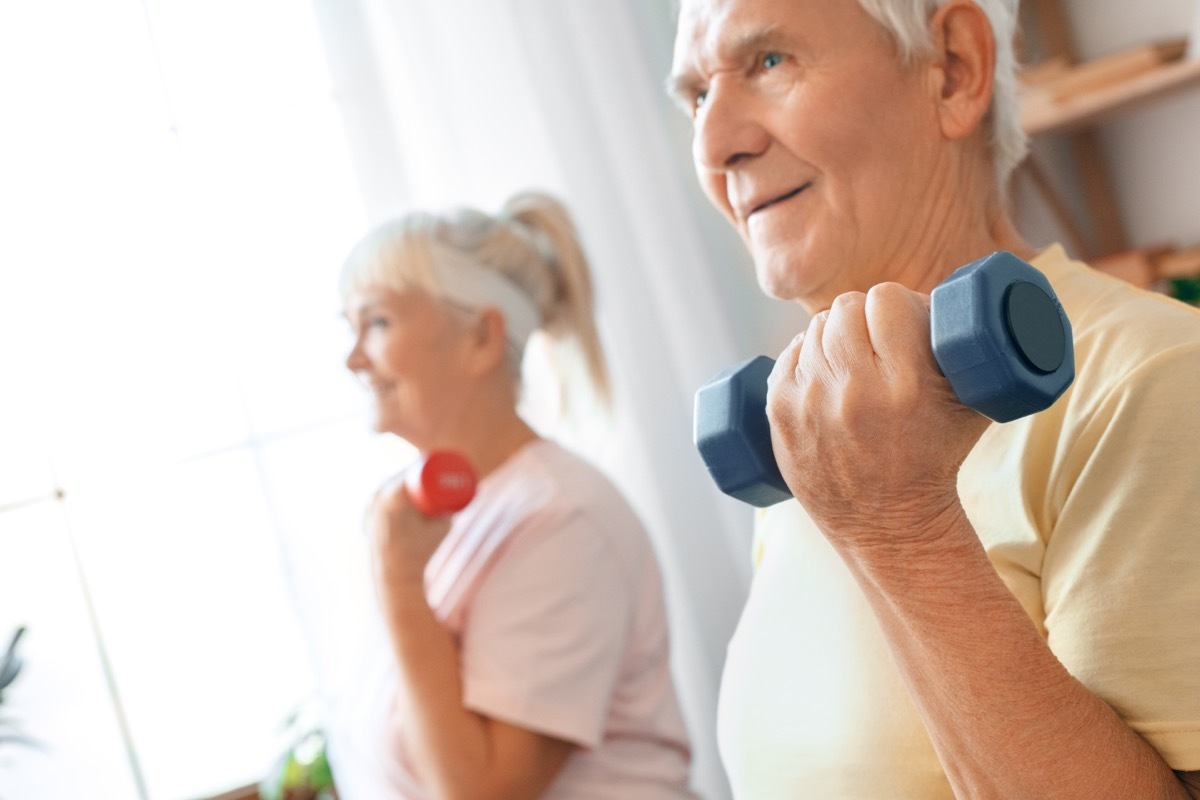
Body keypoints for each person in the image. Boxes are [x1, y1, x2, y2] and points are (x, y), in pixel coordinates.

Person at [668, 1, 1200, 798]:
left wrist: (902, 530)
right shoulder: (815, 425)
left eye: (770, 62)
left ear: (954, 68)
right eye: (697, 96)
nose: (715, 145)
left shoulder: (1150, 378)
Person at [327, 191, 698, 799]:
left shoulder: (562, 519)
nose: (351, 358)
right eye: (350, 328)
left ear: (480, 338)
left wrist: (397, 587)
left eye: (377, 322)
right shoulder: (435, 525)